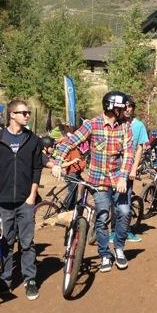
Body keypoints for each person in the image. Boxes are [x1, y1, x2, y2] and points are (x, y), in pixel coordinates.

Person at [51, 91, 135, 272]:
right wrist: (58, 163)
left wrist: (123, 176)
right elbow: (69, 142)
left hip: (119, 180)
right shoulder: (92, 125)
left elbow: (129, 153)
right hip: (98, 181)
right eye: (122, 107)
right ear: (111, 107)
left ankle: (119, 248)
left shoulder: (125, 126)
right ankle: (105, 254)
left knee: (124, 212)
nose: (126, 110)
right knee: (102, 217)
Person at [0, 99, 44, 299]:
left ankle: (30, 280)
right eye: (24, 112)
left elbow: (37, 168)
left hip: (25, 200)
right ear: (12, 115)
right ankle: (5, 279)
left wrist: (32, 195)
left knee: (27, 243)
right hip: (3, 200)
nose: (27, 115)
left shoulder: (33, 140)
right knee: (5, 242)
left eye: (28, 112)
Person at [123, 97, 148, 242]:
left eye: (130, 106)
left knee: (125, 201)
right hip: (113, 167)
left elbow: (139, 147)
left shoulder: (138, 125)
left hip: (129, 168)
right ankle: (114, 230)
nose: (128, 109)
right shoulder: (117, 122)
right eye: (125, 106)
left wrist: (134, 169)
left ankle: (126, 230)